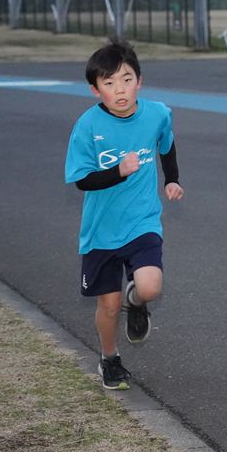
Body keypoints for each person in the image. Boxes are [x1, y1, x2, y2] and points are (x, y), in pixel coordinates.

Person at [65, 39, 183, 390]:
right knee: (109, 306)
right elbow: (82, 180)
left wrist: (172, 179)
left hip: (142, 221)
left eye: (127, 79)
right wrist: (118, 171)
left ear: (139, 81)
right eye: (109, 82)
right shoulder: (87, 126)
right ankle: (109, 358)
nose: (120, 90)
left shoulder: (157, 114)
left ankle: (138, 300)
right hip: (101, 231)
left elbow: (167, 145)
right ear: (95, 89)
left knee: (149, 286)